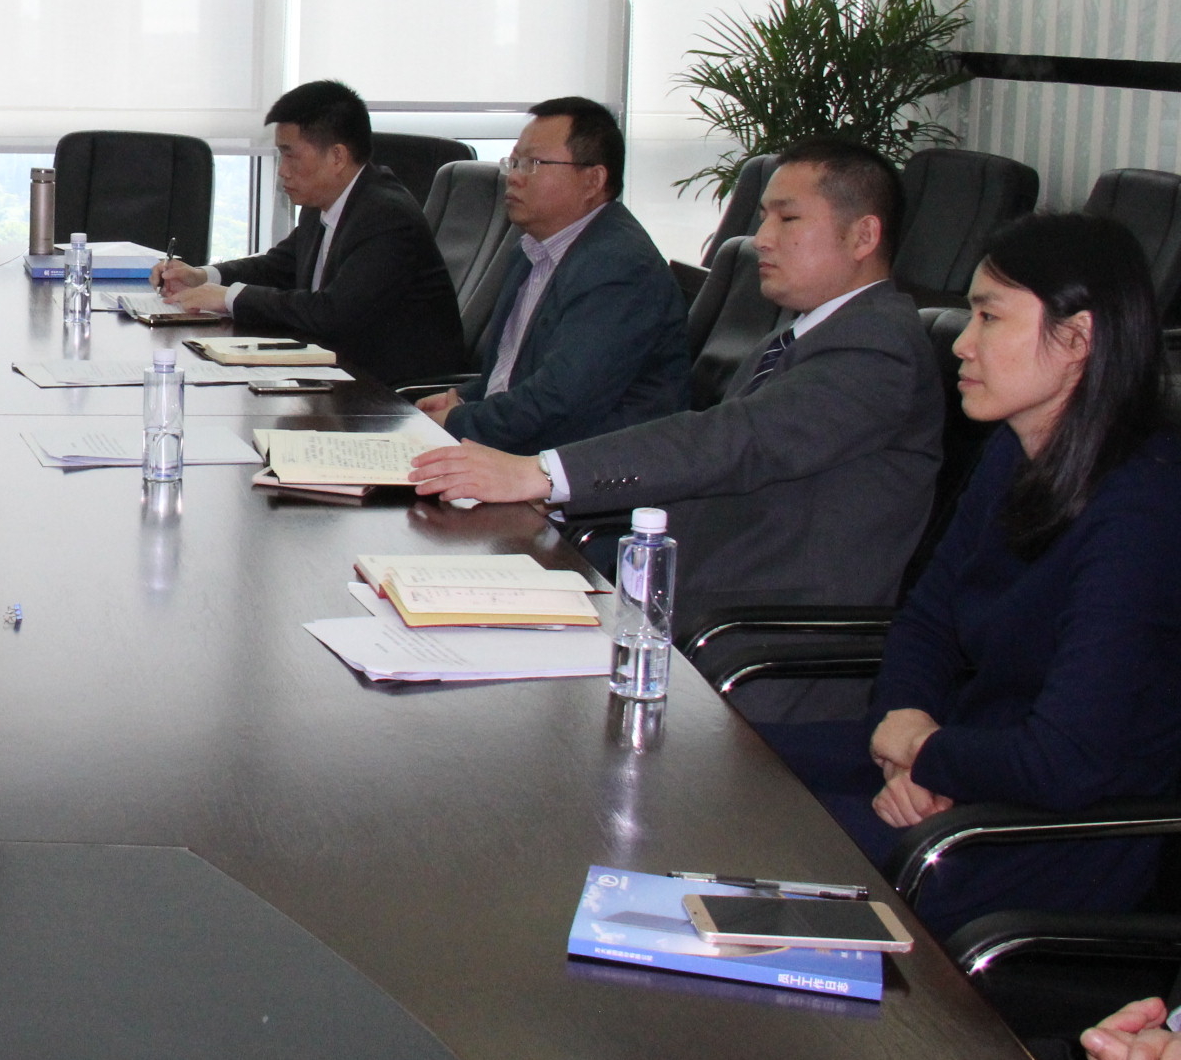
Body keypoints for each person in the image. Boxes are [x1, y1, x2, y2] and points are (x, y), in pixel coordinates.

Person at [411, 136, 945, 717]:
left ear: (864, 236)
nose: (761, 238)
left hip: (761, 650)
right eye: (763, 216)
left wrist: (540, 473)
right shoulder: (806, 334)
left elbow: (731, 441)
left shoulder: (878, 349)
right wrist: (557, 501)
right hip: (689, 610)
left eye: (787, 218)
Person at [758, 213, 1181, 938]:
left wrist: (925, 754)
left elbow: (1066, 761)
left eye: (989, 317)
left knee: (747, 844)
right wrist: (905, 725)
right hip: (960, 765)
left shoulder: (1146, 508)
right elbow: (927, 619)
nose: (962, 342)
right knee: (716, 773)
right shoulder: (1015, 449)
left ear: (1077, 339)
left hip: (1053, 835)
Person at [412, 98, 689, 453]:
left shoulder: (620, 268)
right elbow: (511, 376)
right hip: (519, 451)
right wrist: (464, 399)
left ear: (593, 180)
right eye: (513, 162)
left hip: (588, 471)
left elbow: (560, 402)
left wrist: (458, 421)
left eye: (532, 164)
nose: (513, 177)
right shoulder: (532, 250)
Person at [153, 79, 468, 385]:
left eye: (290, 155)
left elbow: (333, 313)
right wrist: (203, 276)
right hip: (336, 372)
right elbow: (279, 266)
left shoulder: (386, 216)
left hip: (388, 392)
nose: (282, 171)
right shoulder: (324, 202)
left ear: (337, 157)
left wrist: (229, 298)